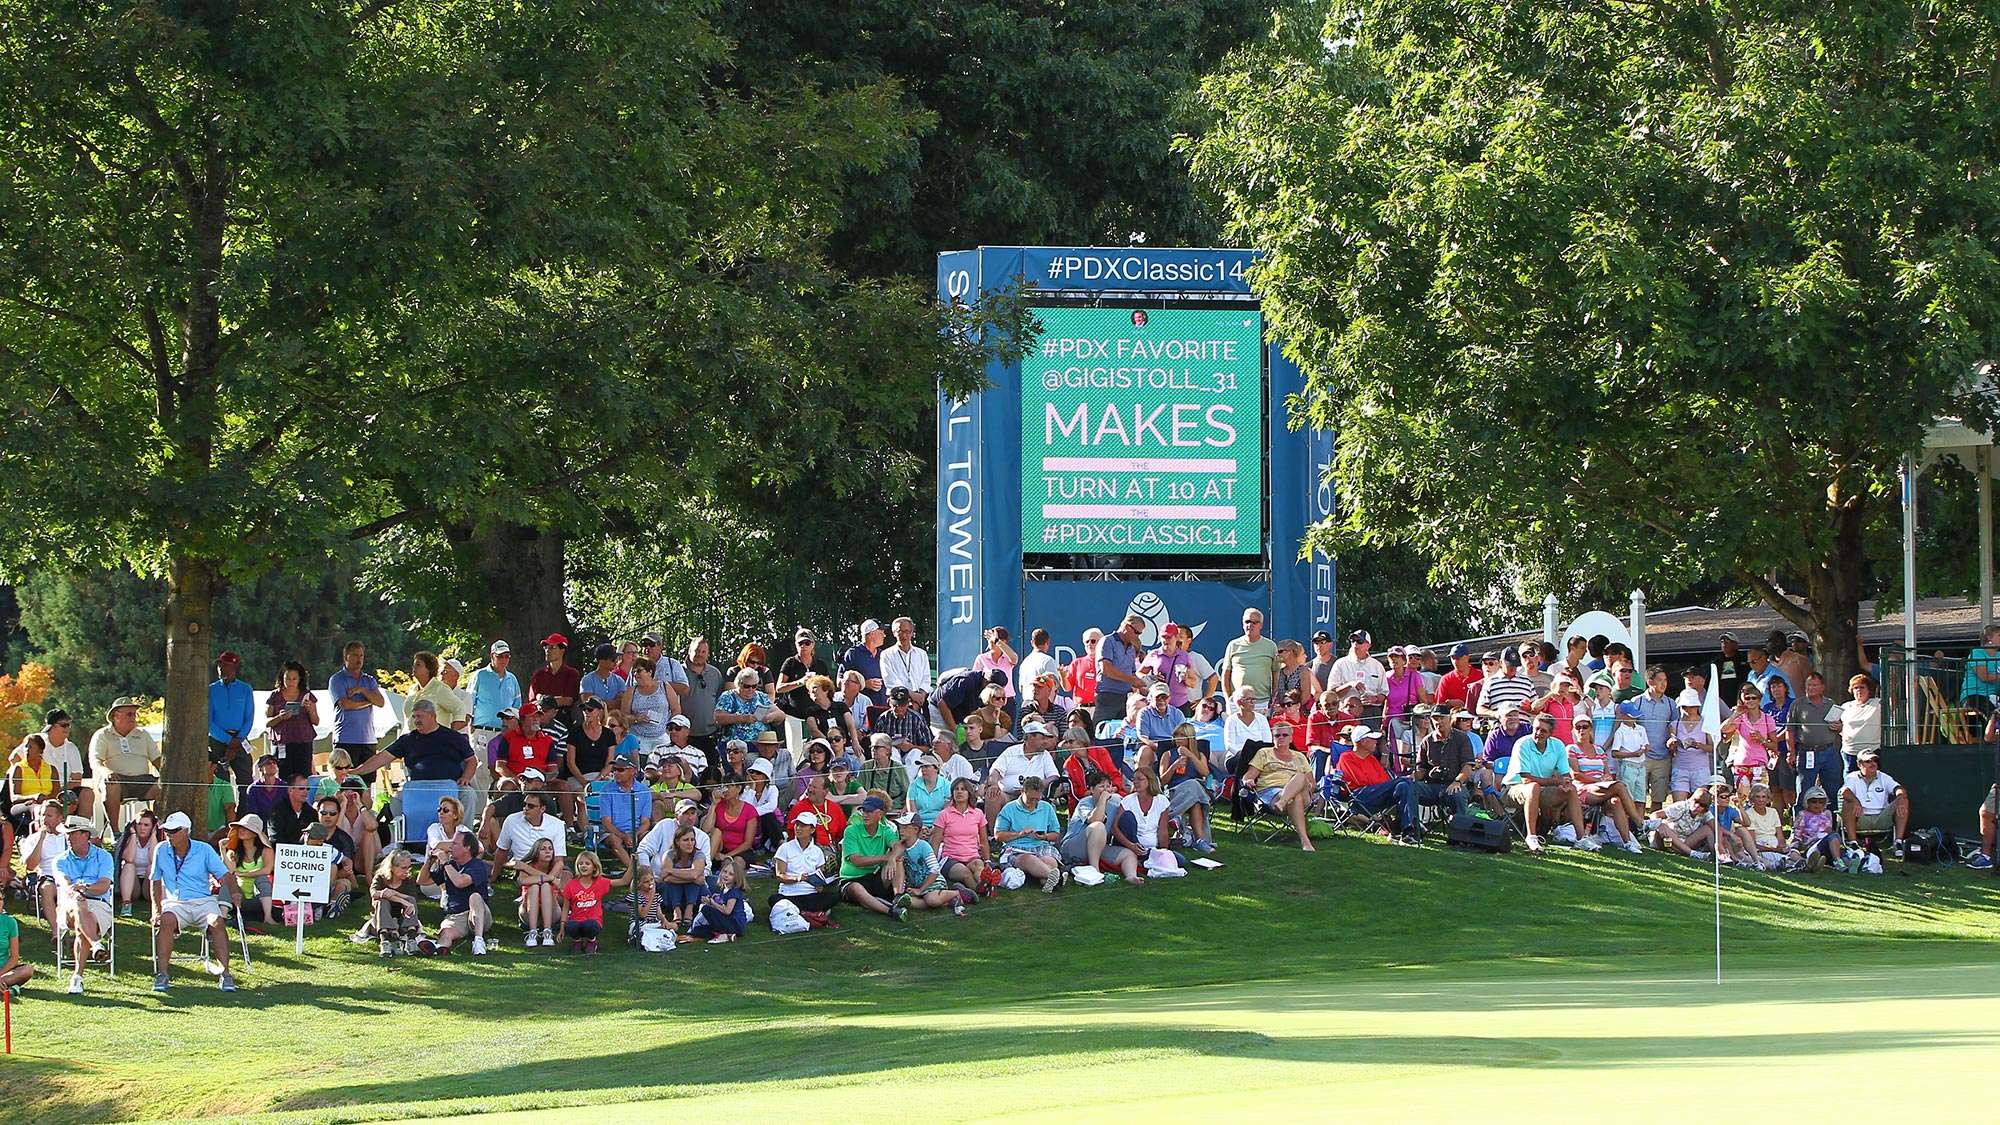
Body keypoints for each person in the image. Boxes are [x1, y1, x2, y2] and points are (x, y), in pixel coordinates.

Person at [353, 697, 475, 847]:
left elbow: (472, 760)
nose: (416, 720)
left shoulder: (454, 737)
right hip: (418, 788)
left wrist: (466, 777)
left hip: (449, 788)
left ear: (432, 716)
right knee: (396, 799)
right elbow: (382, 757)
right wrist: (358, 771)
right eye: (414, 717)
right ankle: (405, 839)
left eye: (420, 716)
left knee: (469, 794)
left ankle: (466, 841)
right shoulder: (408, 739)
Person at [151, 811, 240, 993]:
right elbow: (155, 880)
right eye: (167, 831)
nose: (169, 835)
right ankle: (162, 974)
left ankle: (226, 974)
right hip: (175, 903)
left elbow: (223, 874)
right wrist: (156, 910)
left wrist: (234, 892)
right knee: (166, 920)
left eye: (173, 831)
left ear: (185, 831)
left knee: (217, 921)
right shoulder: (160, 849)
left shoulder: (204, 849)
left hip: (203, 901)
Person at [1504, 713, 1597, 855]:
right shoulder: (1522, 743)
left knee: (1571, 789)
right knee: (1533, 787)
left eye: (1543, 731)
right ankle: (1532, 837)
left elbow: (1566, 773)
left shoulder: (1558, 745)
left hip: (1542, 790)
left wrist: (1565, 783)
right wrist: (1555, 781)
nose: (1538, 733)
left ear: (1551, 733)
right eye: (1536, 729)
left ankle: (1581, 838)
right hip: (1512, 789)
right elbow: (1526, 779)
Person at [54, 814, 114, 992]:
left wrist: (85, 888)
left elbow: (104, 886)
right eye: (67, 834)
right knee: (78, 904)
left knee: (82, 928)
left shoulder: (103, 857)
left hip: (98, 903)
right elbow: (64, 883)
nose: (68, 838)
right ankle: (96, 945)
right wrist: (76, 891)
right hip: (69, 904)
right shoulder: (61, 860)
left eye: (73, 834)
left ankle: (77, 977)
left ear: (85, 835)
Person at [1242, 720, 1318, 852]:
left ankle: (1283, 801)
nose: (1281, 738)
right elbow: (1248, 776)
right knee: (1295, 798)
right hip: (1271, 793)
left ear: (1291, 738)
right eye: (1277, 735)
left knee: (1300, 777)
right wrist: (1247, 781)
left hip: (1298, 792)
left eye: (1284, 735)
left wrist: (1299, 785)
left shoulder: (1300, 756)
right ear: (1273, 737)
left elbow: (1313, 785)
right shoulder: (1264, 753)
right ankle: (1305, 841)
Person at [1062, 773, 1144, 883]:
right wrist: (1103, 799)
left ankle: (1131, 876)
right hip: (1073, 848)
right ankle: (1095, 870)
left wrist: (1132, 845)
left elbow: (1118, 829)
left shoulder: (1114, 808)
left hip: (1097, 848)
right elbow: (1095, 820)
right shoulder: (1084, 803)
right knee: (1098, 826)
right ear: (1091, 789)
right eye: (1101, 786)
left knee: (1128, 854)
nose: (1105, 790)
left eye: (1108, 786)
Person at [418, 831, 491, 955]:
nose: (450, 847)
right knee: (446, 932)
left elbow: (460, 882)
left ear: (467, 848)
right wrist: (429, 861)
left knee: (475, 897)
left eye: (455, 844)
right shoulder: (450, 866)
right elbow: (422, 880)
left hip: (479, 913)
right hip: (456, 915)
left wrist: (445, 861)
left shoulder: (477, 865)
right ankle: (439, 948)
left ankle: (478, 942)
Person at [91, 696, 161, 820]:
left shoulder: (143, 734)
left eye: (135, 714)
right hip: (118, 780)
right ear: (116, 716)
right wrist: (107, 772)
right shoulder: (103, 735)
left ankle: (160, 828)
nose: (134, 717)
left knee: (167, 787)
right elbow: (95, 761)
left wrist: (168, 778)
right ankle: (116, 833)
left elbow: (157, 760)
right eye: (129, 714)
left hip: (143, 781)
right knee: (111, 785)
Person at [993, 776, 1066, 892]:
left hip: (1042, 846)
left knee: (1049, 861)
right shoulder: (1009, 808)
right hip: (1017, 848)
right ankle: (1057, 877)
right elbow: (998, 835)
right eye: (1031, 798)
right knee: (1029, 859)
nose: (1034, 801)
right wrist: (1019, 834)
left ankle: (1048, 880)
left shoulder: (1046, 807)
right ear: (1023, 792)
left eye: (1037, 799)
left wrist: (1045, 836)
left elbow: (1056, 833)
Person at [328, 642, 387, 782]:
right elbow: (345, 704)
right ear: (345, 657)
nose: (359, 659)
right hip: (345, 739)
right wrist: (368, 701)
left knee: (367, 783)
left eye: (361, 655)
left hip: (368, 740)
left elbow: (381, 702)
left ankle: (365, 805)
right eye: (355, 655)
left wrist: (362, 690)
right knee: (345, 781)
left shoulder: (369, 680)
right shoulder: (337, 680)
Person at [1790, 672, 1845, 817]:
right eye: (1809, 685)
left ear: (1822, 687)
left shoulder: (1831, 704)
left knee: (1832, 789)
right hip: (1807, 752)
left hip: (1828, 751)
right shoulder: (1798, 704)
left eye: (1815, 685)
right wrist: (1791, 753)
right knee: (1803, 789)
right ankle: (1799, 826)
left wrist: (1838, 727)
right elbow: (1790, 730)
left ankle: (1831, 825)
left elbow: (1839, 727)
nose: (1811, 688)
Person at [984, 720, 1060, 821]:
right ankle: (995, 834)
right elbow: (995, 770)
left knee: (1031, 797)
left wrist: (1037, 785)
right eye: (1042, 738)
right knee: (992, 795)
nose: (1044, 742)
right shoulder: (1011, 751)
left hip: (1032, 794)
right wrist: (994, 785)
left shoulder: (1045, 755)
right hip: (1008, 794)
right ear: (1030, 737)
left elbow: (1054, 776)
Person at [769, 811, 841, 915]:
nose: (798, 828)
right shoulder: (785, 848)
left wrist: (820, 886)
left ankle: (798, 912)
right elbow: (780, 876)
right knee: (774, 899)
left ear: (812, 830)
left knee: (833, 896)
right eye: (797, 825)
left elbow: (819, 876)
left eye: (803, 826)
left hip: (810, 894)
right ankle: (810, 912)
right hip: (788, 894)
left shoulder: (817, 851)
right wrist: (797, 878)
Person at [1840, 749, 1910, 854]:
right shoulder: (1852, 777)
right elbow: (1844, 792)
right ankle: (1853, 843)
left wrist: (1900, 797)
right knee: (1848, 802)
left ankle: (1898, 843)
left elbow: (1899, 788)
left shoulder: (1883, 776)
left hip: (1882, 817)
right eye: (1868, 761)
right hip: (1861, 817)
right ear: (1859, 764)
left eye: (1874, 761)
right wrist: (1855, 801)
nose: (1872, 764)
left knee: (1903, 800)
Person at [560, 851, 631, 954]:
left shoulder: (600, 882)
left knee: (590, 924)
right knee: (572, 926)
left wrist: (632, 864)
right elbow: (566, 907)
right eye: (580, 864)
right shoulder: (571, 884)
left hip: (592, 921)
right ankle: (577, 941)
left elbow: (623, 881)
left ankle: (591, 941)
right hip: (576, 920)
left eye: (587, 864)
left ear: (594, 867)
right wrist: (562, 926)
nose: (583, 866)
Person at [206, 651, 256, 794]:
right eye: (219, 665)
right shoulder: (211, 689)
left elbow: (249, 718)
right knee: (220, 782)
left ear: (234, 667)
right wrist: (228, 740)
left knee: (246, 782)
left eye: (224, 665)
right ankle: (224, 815)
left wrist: (237, 741)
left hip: (240, 739)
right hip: (217, 740)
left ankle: (245, 813)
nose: (220, 669)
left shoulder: (245, 689)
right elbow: (209, 721)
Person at [365, 849, 424, 956]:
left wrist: (394, 893)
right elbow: (374, 893)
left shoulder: (408, 880)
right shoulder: (380, 878)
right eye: (403, 868)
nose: (407, 871)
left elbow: (412, 898)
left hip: (402, 920)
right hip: (381, 921)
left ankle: (411, 939)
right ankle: (385, 941)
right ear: (392, 868)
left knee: (411, 900)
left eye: (408, 867)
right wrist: (400, 899)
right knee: (382, 900)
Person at [1221, 610, 1281, 713]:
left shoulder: (1270, 646)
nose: (1250, 625)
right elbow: (1226, 675)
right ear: (1243, 624)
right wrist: (1228, 700)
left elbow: (1276, 673)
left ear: (1261, 625)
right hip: (1238, 702)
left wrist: (1273, 699)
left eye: (1254, 622)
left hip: (1262, 702)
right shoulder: (1233, 645)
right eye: (1247, 621)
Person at [704, 776, 760, 884]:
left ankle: (722, 876)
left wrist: (727, 855)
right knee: (716, 831)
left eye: (729, 786)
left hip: (740, 850)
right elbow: (706, 829)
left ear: (738, 789)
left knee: (736, 864)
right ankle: (707, 866)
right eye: (724, 786)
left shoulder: (749, 810)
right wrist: (714, 805)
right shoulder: (719, 806)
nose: (726, 790)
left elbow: (748, 843)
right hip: (719, 848)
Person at [1721, 684, 1776, 790]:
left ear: (1759, 701)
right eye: (1747, 698)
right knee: (1742, 800)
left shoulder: (1767, 719)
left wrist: (1762, 740)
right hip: (1742, 765)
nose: (1750, 700)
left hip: (1759, 764)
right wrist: (1736, 714)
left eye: (1754, 698)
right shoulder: (1741, 719)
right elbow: (1724, 729)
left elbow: (1774, 745)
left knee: (1760, 797)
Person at [514, 837, 565, 946]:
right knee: (534, 886)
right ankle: (532, 932)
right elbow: (524, 880)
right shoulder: (527, 865)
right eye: (543, 849)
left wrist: (528, 870)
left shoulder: (558, 864)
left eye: (550, 849)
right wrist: (549, 878)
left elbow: (551, 877)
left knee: (546, 886)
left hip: (552, 912)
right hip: (528, 911)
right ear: (536, 853)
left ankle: (547, 932)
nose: (548, 851)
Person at [1665, 689, 1713, 802]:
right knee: (1679, 805)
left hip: (1700, 769)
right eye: (1684, 706)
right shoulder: (1675, 724)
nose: (1688, 709)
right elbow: (1670, 747)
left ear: (1697, 706)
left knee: (1700, 804)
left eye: (1691, 706)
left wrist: (1698, 745)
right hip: (1680, 768)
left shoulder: (1705, 724)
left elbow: (1712, 748)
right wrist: (1671, 744)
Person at [529, 633, 583, 733]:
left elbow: (568, 700)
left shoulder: (572, 674)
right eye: (546, 648)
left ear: (562, 651)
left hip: (563, 720)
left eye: (552, 647)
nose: (547, 651)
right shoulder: (539, 675)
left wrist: (542, 698)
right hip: (540, 721)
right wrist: (554, 700)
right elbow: (532, 701)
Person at [688, 862, 749, 942]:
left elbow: (727, 911)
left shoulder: (733, 891)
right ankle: (727, 935)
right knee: (697, 930)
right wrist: (709, 902)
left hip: (735, 924)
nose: (726, 875)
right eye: (725, 872)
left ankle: (723, 933)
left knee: (706, 909)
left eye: (731, 874)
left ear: (736, 877)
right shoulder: (723, 889)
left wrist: (712, 903)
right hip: (727, 921)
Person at [117, 808, 160, 917]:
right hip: (133, 884)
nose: (142, 828)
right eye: (139, 824)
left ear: (153, 826)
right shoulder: (127, 838)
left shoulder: (159, 840)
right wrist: (133, 836)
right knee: (128, 865)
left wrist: (154, 836)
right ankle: (126, 903)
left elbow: (153, 859)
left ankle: (156, 904)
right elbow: (129, 858)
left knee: (152, 867)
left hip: (148, 885)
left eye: (146, 825)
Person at [882, 617, 934, 704]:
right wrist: (911, 695)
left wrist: (920, 695)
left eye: (907, 631)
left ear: (912, 633)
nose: (904, 635)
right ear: (894, 633)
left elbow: (926, 679)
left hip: (920, 701)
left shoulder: (921, 654)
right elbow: (890, 681)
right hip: (897, 701)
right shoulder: (886, 654)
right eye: (900, 631)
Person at [843, 619, 891, 709]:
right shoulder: (853, 653)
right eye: (882, 632)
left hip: (883, 707)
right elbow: (840, 681)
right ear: (872, 634)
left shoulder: (884, 654)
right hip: (861, 709)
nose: (884, 635)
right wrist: (864, 684)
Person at [1839, 673, 1882, 773]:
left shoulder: (1878, 703)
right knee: (1850, 782)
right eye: (1856, 688)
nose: (1859, 690)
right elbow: (1838, 726)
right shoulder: (1845, 706)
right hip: (1849, 751)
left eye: (1862, 687)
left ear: (1868, 690)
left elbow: (1892, 703)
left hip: (1871, 751)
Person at [1222, 685, 1273, 769]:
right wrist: (1241, 753)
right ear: (1239, 702)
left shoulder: (1262, 719)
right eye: (1249, 699)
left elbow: (1267, 741)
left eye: (1254, 699)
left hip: (1260, 756)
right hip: (1236, 757)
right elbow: (1229, 745)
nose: (1252, 702)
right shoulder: (1231, 720)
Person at [578, 643, 631, 717]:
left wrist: (599, 702)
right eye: (613, 659)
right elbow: (589, 704)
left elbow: (621, 704)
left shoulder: (619, 681)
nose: (616, 661)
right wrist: (612, 703)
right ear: (601, 661)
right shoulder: (587, 680)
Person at [1065, 628, 1103, 716]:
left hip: (1100, 708)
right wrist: (1063, 676)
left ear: (1101, 643)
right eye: (1087, 642)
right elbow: (1067, 688)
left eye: (1093, 641)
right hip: (1081, 709)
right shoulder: (1077, 663)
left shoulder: (1106, 663)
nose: (1089, 644)